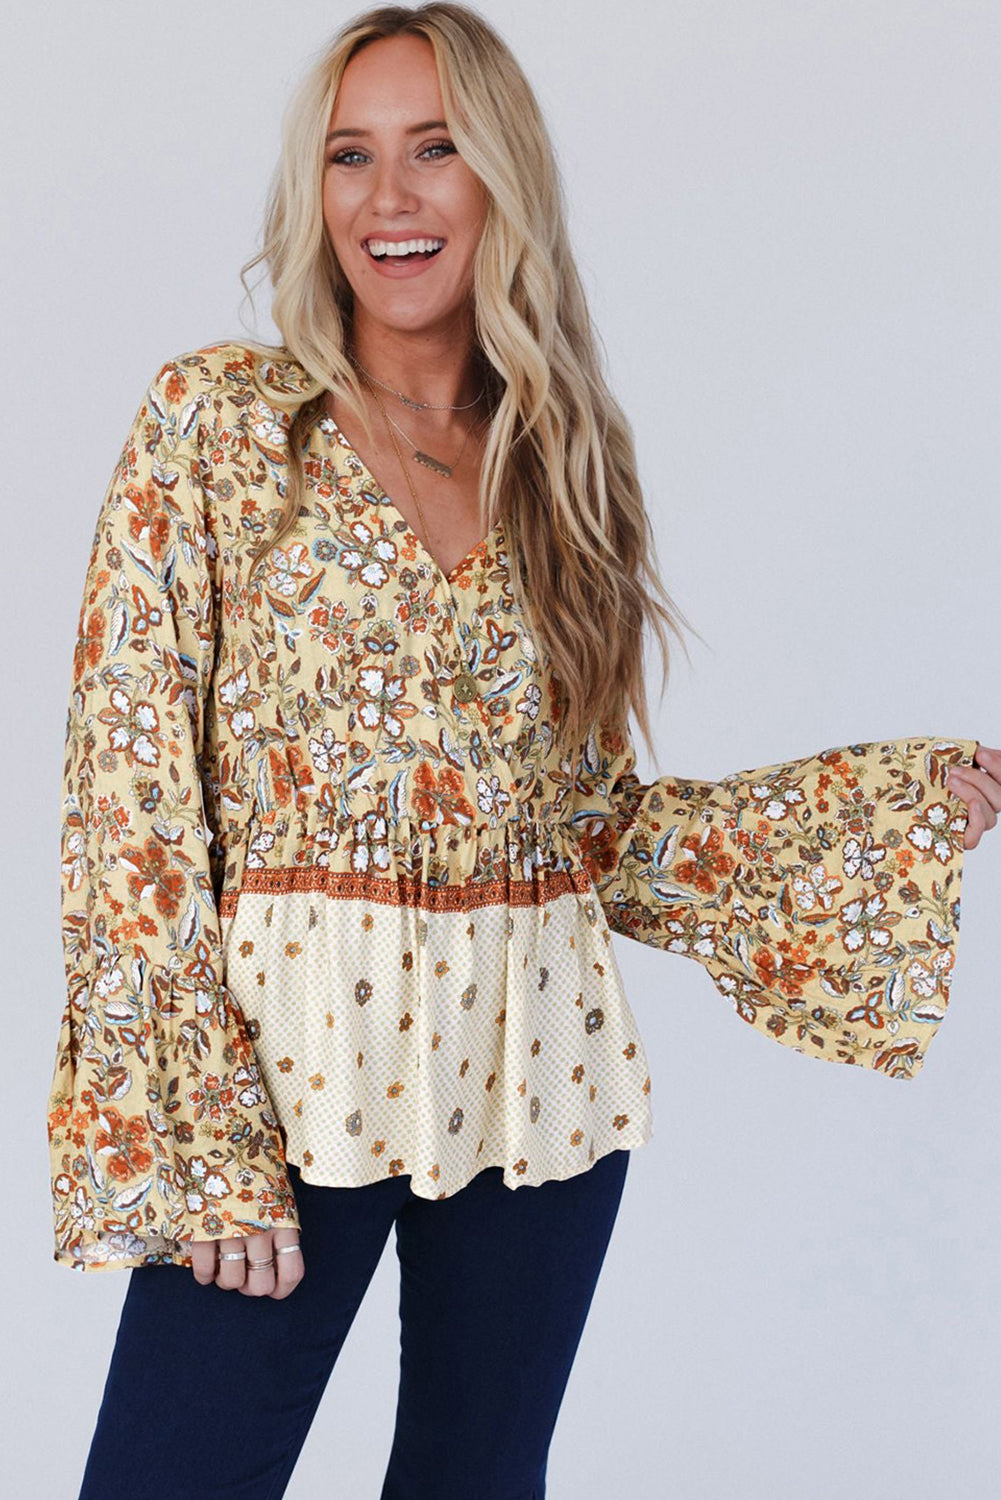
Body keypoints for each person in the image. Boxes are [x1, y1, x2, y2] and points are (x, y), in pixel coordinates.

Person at [46, 5, 997, 1497]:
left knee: (481, 1480)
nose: (389, 196)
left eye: (436, 149)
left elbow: (588, 828)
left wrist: (877, 810)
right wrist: (198, 1133)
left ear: (504, 179)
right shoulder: (220, 424)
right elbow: (130, 799)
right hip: (287, 1070)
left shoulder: (563, 466)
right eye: (349, 156)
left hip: (534, 1058)